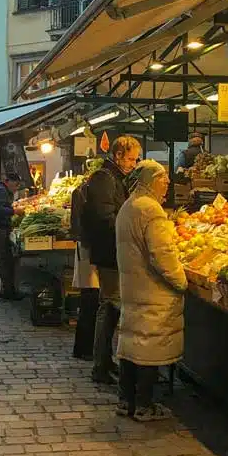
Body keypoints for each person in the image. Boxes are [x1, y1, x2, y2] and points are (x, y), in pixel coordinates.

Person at [115, 160, 187, 421]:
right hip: (153, 290)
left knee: (132, 343)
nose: (167, 183)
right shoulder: (151, 211)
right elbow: (163, 255)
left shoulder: (128, 206)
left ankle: (126, 401)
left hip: (134, 287)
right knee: (149, 347)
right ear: (149, 180)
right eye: (162, 178)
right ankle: (145, 405)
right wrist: (181, 281)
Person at [81, 134, 141, 384]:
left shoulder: (114, 178)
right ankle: (101, 365)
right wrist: (129, 230)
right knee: (109, 305)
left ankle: (105, 361)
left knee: (111, 307)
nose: (133, 163)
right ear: (117, 155)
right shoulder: (104, 179)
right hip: (109, 253)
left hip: (112, 252)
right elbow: (105, 217)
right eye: (130, 158)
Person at [70, 173, 98, 361]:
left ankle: (82, 348)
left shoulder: (79, 192)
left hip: (84, 249)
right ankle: (85, 348)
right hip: (89, 251)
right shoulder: (85, 195)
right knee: (90, 302)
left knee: (88, 301)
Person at [0, 172, 24, 300]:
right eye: (16, 184)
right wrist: (14, 211)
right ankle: (8, 291)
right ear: (8, 181)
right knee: (4, 260)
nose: (16, 188)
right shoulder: (1, 191)